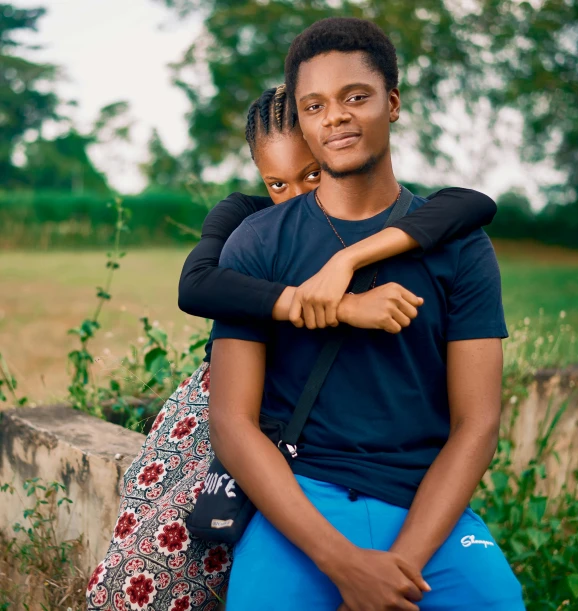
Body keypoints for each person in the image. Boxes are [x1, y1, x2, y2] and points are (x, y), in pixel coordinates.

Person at [86, 84, 498, 611]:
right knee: (160, 561)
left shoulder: (384, 219)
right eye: (277, 183)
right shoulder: (253, 221)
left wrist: (348, 261)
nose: (297, 195)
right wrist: (340, 306)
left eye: (310, 174)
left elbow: (473, 203)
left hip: (314, 424)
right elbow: (197, 285)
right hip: (231, 401)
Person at [208, 17, 525, 611]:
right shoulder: (256, 244)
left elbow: (477, 425)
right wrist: (344, 565)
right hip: (299, 504)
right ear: (301, 120)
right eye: (315, 105)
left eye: (356, 96)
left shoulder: (460, 246)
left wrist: (397, 569)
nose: (336, 117)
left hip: (424, 504)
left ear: (393, 103)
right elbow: (231, 421)